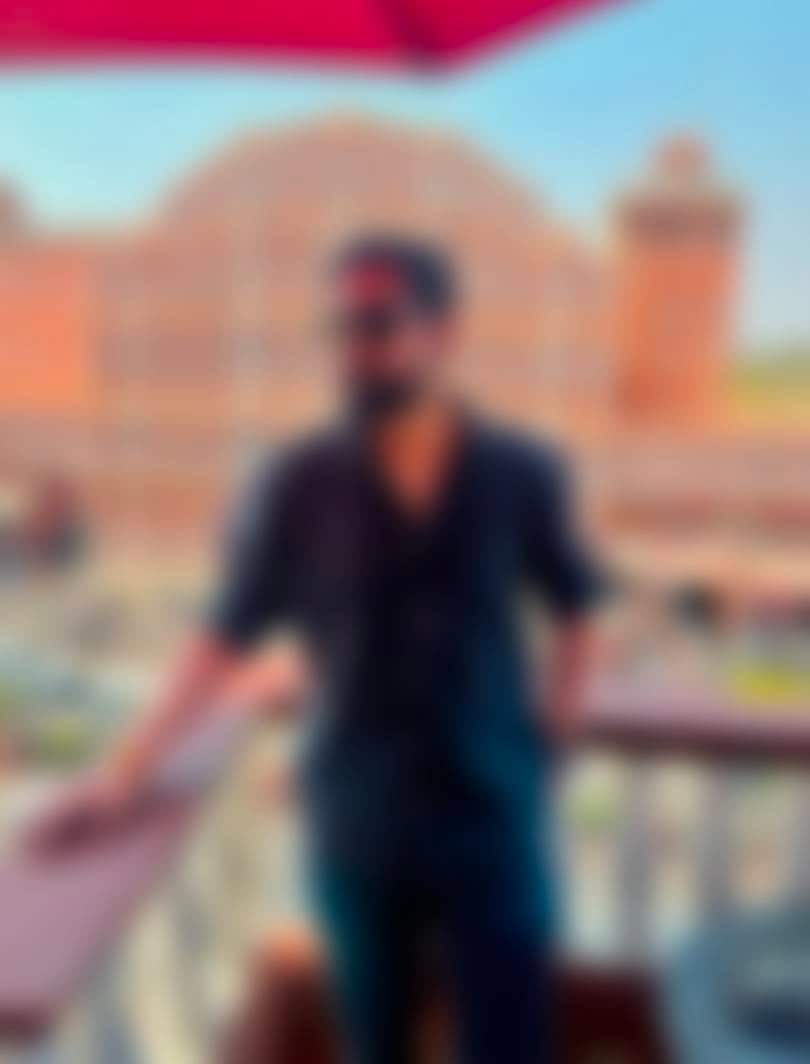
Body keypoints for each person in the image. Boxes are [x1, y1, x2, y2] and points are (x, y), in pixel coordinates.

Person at [35, 235, 601, 1064]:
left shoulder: (522, 472)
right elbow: (220, 641)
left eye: (378, 326)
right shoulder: (299, 482)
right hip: (358, 823)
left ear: (443, 332)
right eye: (340, 329)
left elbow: (579, 607)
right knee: (374, 1039)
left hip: (492, 818)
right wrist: (124, 773)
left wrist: (551, 739)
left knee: (509, 1038)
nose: (354, 351)